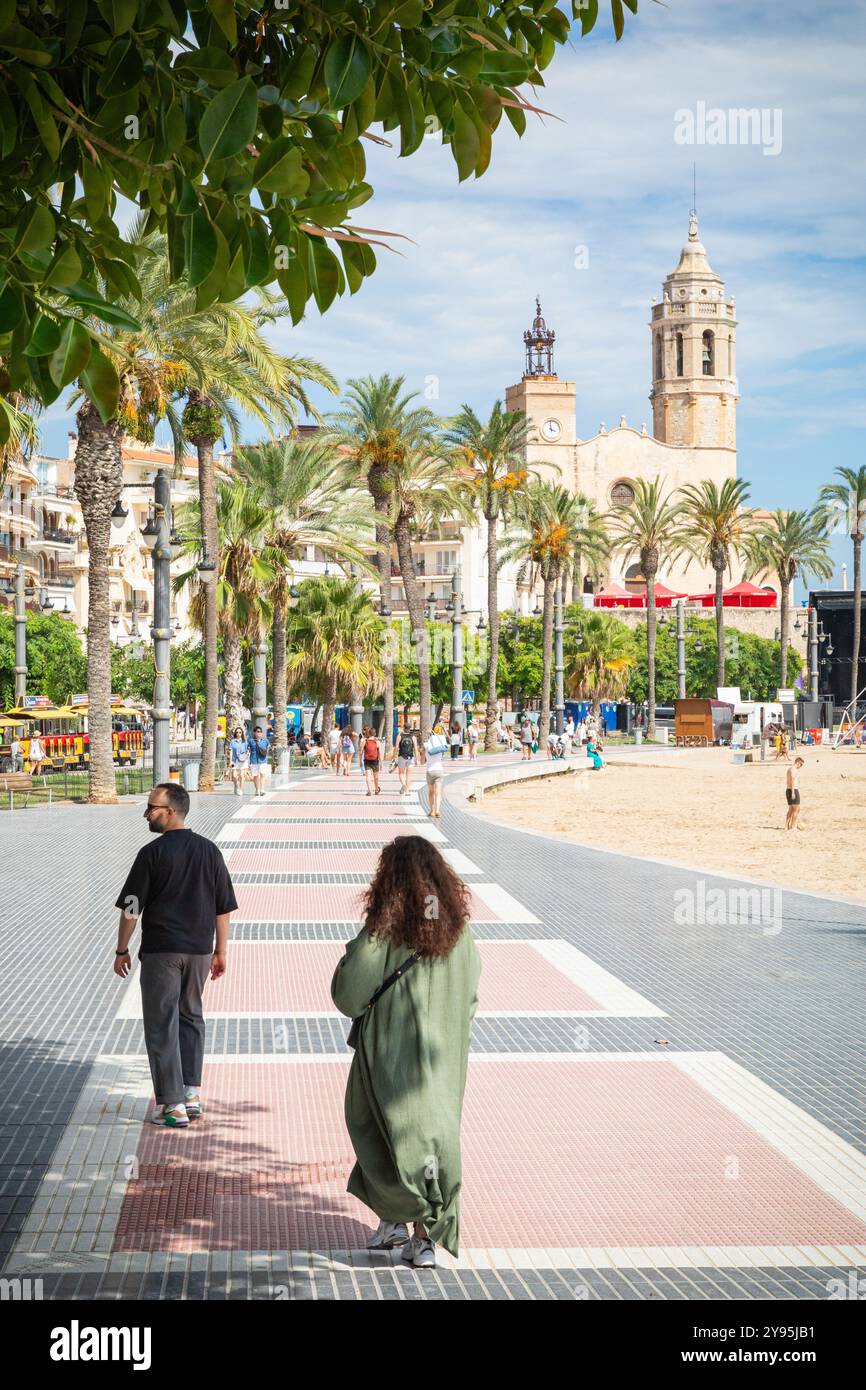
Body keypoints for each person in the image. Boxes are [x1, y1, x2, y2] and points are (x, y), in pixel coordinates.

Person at [331, 836, 481, 1268]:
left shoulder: (386, 928)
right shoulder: (458, 929)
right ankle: (411, 1229)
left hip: (389, 1054)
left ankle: (415, 1230)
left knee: (381, 1129)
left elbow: (349, 994)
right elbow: (470, 995)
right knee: (431, 1137)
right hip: (445, 1056)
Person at [114, 783, 238, 1127]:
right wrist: (220, 950)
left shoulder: (151, 854)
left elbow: (131, 908)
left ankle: (170, 1105)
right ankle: (190, 1094)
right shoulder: (209, 851)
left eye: (151, 808)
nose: (146, 814)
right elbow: (223, 906)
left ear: (171, 811)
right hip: (198, 951)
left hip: (161, 952)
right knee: (191, 1017)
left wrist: (122, 949)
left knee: (161, 1023)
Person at [422, 723, 449, 818]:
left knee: (431, 792)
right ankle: (438, 810)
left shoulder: (426, 745)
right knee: (438, 792)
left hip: (430, 771)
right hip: (439, 770)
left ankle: (432, 811)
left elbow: (422, 762)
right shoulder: (440, 745)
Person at [246, 724, 270, 797]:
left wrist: (265, 753)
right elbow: (248, 749)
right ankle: (257, 789)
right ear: (254, 733)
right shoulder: (251, 741)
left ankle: (262, 789)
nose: (259, 733)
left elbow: (268, 747)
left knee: (263, 774)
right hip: (254, 761)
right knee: (255, 776)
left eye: (260, 732)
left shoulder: (265, 740)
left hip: (263, 761)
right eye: (257, 731)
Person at [228, 725, 250, 797]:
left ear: (242, 733)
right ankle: (236, 786)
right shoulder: (232, 741)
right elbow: (230, 751)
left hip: (243, 760)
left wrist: (247, 753)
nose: (238, 734)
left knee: (242, 775)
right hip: (235, 761)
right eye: (237, 732)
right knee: (234, 776)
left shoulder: (245, 741)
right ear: (235, 733)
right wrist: (230, 761)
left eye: (240, 732)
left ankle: (241, 789)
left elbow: (248, 749)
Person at [395, 724, 417, 796]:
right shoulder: (413, 737)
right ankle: (407, 791)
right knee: (409, 775)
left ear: (403, 728)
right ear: (410, 728)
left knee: (401, 773)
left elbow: (396, 748)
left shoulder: (400, 736)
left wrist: (394, 757)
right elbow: (415, 749)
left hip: (401, 757)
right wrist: (416, 759)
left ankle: (404, 785)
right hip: (410, 757)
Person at [785, 756, 804, 830]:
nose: (800, 767)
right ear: (797, 762)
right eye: (801, 765)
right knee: (797, 809)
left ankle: (786, 826)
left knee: (791, 809)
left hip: (788, 790)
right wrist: (793, 792)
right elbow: (792, 780)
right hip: (793, 790)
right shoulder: (794, 770)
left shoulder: (789, 769)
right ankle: (793, 826)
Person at [362, 726, 382, 797]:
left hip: (367, 760)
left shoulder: (365, 741)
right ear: (375, 734)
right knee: (375, 776)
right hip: (375, 761)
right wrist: (381, 763)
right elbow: (380, 753)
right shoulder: (377, 742)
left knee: (368, 776)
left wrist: (360, 762)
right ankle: (376, 789)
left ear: (369, 733)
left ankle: (369, 791)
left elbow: (361, 751)